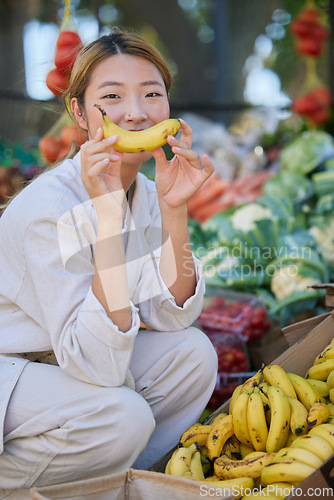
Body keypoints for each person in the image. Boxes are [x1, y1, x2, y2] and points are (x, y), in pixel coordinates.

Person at [0, 28, 218, 492]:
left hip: (66, 361)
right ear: (79, 112)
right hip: (14, 367)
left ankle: (125, 479)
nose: (136, 113)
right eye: (112, 96)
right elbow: (97, 365)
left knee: (193, 354)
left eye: (152, 94)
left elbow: (170, 315)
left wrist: (173, 208)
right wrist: (106, 219)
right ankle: (23, 485)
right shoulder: (49, 210)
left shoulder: (142, 186)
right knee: (122, 416)